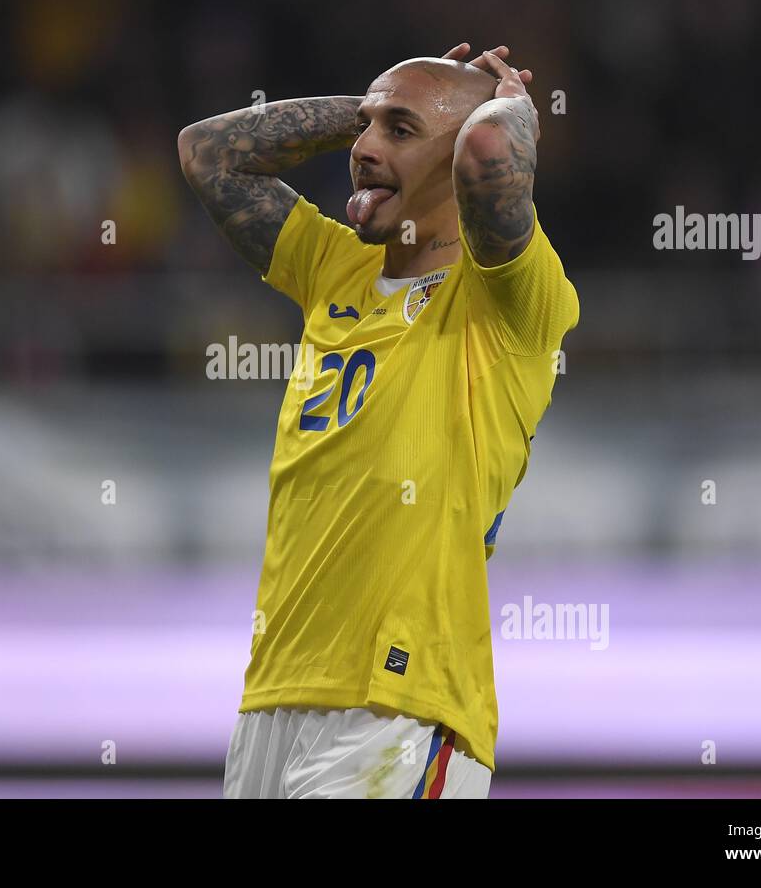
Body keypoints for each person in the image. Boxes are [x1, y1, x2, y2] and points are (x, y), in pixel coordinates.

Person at [178, 43, 579, 798]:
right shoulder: (335, 267)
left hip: (398, 709)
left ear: (459, 155)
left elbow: (492, 147)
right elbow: (207, 154)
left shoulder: (509, 300)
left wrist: (506, 104)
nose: (362, 149)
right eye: (364, 129)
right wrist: (388, 103)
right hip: (273, 697)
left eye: (397, 132)